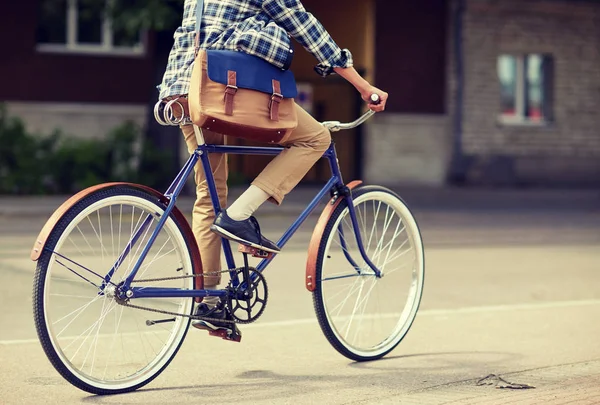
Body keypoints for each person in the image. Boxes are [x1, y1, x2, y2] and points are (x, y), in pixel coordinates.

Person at [158, 0, 388, 335]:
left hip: (182, 89)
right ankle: (240, 215)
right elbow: (303, 25)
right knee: (316, 139)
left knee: (209, 197)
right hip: (223, 84)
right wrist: (363, 86)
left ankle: (208, 303)